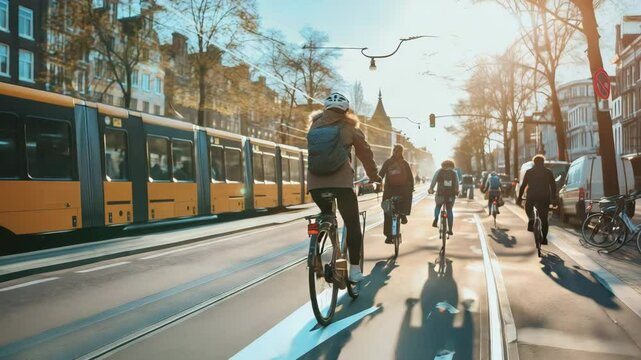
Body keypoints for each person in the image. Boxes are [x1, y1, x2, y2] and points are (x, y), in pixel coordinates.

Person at [307, 92, 381, 282]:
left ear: (325, 109)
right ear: (346, 110)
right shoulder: (350, 128)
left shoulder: (314, 126)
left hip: (315, 185)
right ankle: (354, 269)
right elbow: (366, 154)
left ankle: (316, 249)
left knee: (326, 215)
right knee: (352, 224)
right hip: (341, 185)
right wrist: (375, 177)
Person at [517, 154, 557, 245]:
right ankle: (544, 239)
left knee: (528, 207)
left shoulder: (529, 172)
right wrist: (554, 197)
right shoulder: (548, 172)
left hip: (532, 196)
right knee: (544, 219)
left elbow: (523, 186)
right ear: (543, 162)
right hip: (544, 197)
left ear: (534, 163)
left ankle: (531, 218)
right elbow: (553, 185)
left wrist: (519, 198)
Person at [379, 144, 414, 244]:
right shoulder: (405, 163)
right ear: (402, 152)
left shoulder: (388, 162)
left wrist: (377, 185)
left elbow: (380, 175)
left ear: (393, 151)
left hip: (389, 191)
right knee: (406, 198)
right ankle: (403, 214)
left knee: (387, 211)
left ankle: (388, 236)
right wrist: (411, 189)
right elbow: (410, 179)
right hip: (403, 191)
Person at [428, 160, 459, 235]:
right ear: (452, 165)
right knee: (449, 210)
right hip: (450, 196)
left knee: (438, 206)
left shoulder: (439, 171)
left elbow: (434, 181)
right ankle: (450, 229)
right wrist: (456, 191)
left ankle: (436, 219)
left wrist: (431, 189)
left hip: (440, 194)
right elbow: (457, 184)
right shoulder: (454, 173)